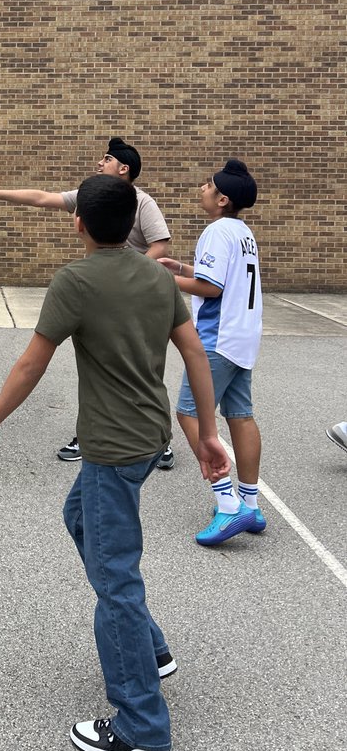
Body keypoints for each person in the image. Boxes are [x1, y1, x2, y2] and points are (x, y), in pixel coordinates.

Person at [0, 175, 228, 751]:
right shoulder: (157, 277)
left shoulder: (76, 281)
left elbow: (32, 363)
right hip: (147, 439)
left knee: (116, 583)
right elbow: (194, 353)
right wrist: (207, 434)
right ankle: (151, 650)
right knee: (78, 516)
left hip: (112, 449)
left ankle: (142, 729)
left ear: (78, 222)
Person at [0, 137, 174, 467]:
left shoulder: (142, 203)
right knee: (100, 369)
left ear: (123, 168)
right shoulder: (90, 197)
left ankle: (158, 440)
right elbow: (42, 197)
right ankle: (93, 435)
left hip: (131, 296)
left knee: (137, 365)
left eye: (105, 160)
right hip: (101, 295)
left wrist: (130, 277)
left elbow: (161, 244)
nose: (98, 164)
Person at [159, 159, 263, 545]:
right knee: (240, 415)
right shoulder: (242, 231)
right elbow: (221, 278)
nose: (201, 188)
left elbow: (211, 289)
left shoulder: (217, 230)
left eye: (207, 184)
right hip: (244, 336)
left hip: (217, 338)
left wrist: (166, 277)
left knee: (189, 413)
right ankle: (249, 504)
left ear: (222, 198)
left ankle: (228, 504)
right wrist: (183, 265)